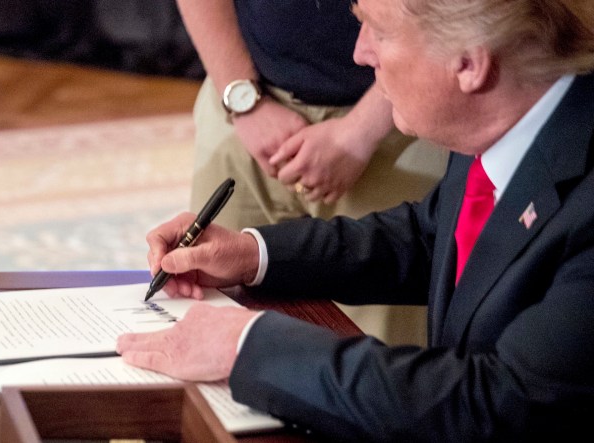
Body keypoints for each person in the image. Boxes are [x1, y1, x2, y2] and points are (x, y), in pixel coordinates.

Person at [117, 0, 594, 440]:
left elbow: (494, 403)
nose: (360, 53)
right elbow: (426, 239)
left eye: (379, 32)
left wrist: (246, 345)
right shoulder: (508, 126)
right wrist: (251, 255)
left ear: (469, 64)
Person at [178, 0, 448, 346]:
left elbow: (452, 14)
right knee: (208, 322)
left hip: (401, 119)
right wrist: (243, 100)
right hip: (240, 99)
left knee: (386, 357)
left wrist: (361, 130)